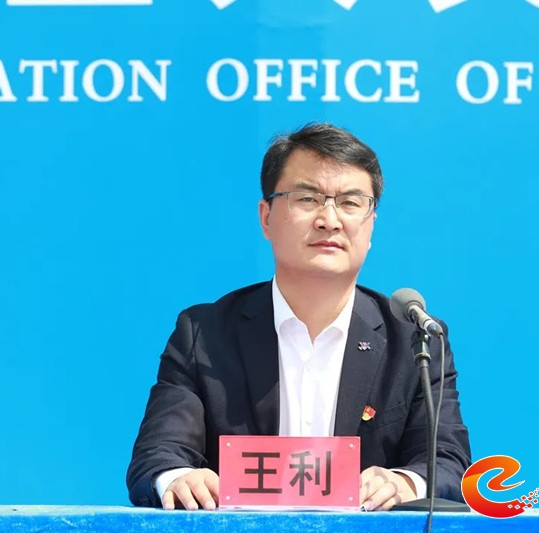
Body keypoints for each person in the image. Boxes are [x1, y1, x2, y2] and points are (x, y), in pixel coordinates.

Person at [126, 122, 471, 511]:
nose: (330, 220)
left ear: (371, 223)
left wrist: (404, 482)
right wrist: (178, 478)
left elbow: (448, 464)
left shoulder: (413, 340)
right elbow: (158, 455)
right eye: (307, 198)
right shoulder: (204, 335)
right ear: (266, 217)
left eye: (351, 203)